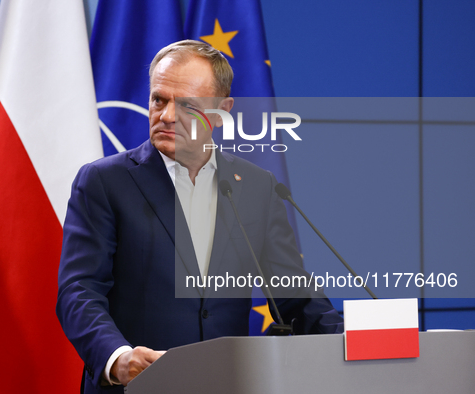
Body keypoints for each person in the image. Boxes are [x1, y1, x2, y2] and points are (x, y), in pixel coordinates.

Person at [57, 40, 343, 394]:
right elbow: (78, 289)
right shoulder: (104, 182)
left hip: (228, 384)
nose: (166, 116)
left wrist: (357, 342)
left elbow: (295, 297)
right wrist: (117, 357)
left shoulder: (256, 187)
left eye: (187, 105)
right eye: (158, 100)